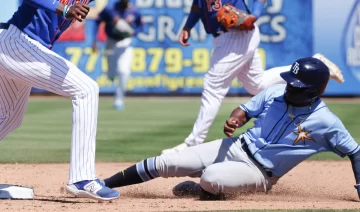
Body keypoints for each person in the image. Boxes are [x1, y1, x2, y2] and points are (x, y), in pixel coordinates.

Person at [100, 57, 360, 200]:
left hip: (259, 172)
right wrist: (235, 119)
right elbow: (245, 110)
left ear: (314, 91)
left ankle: (204, 188)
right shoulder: (276, 92)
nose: (289, 87)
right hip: (234, 146)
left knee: (212, 177)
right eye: (289, 83)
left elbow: (355, 152)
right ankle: (104, 184)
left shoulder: (326, 122)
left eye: (296, 86)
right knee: (166, 162)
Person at [161, 0, 344, 154]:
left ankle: (193, 143)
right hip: (228, 37)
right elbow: (197, 5)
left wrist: (254, 14)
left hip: (237, 35)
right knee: (257, 85)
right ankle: (314, 64)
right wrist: (188, 26)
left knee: (213, 85)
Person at [0, 0, 119, 200]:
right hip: (17, 42)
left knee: (10, 118)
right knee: (86, 89)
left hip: (21, 47)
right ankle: (82, 179)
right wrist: (64, 9)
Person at [92, 0, 143, 110]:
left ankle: (119, 100)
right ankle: (111, 75)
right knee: (111, 73)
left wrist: (135, 32)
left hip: (125, 42)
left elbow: (141, 25)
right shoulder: (110, 8)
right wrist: (95, 41)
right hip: (111, 41)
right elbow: (98, 21)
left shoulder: (134, 9)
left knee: (124, 71)